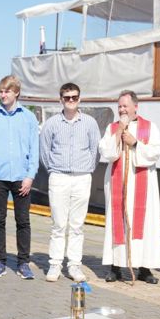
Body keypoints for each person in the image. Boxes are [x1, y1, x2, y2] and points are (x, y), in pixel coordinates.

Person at [99, 90, 160, 284]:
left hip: (142, 183)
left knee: (145, 225)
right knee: (117, 221)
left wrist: (135, 143)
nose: (121, 109)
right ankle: (115, 266)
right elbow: (106, 152)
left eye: (125, 106)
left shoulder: (149, 127)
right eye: (119, 106)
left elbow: (156, 151)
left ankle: (145, 268)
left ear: (136, 106)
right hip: (117, 183)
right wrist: (119, 133)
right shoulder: (112, 128)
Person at [39, 83, 100, 282]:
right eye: (67, 98)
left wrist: (87, 168)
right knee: (58, 224)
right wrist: (54, 170)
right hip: (59, 176)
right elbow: (44, 151)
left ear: (79, 99)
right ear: (61, 100)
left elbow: (95, 151)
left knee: (77, 225)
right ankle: (55, 264)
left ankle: (74, 265)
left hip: (82, 177)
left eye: (74, 97)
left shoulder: (90, 123)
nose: (71, 101)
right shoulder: (52, 124)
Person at [0, 75, 39, 279]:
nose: (3, 94)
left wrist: (30, 176)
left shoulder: (29, 117)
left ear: (16, 92)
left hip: (22, 177)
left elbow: (34, 149)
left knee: (23, 220)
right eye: (1, 91)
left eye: (7, 91)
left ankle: (23, 262)